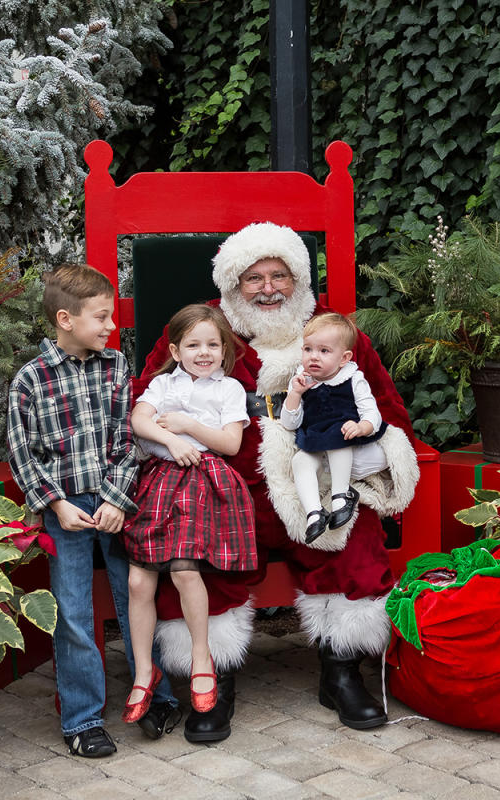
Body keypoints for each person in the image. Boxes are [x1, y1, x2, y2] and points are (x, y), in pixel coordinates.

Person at [135, 222, 419, 743]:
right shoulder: (203, 329)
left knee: (350, 537)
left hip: (315, 478)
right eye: (254, 278)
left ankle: (342, 673)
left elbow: (386, 408)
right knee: (196, 549)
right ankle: (212, 679)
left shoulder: (333, 333)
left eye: (280, 276)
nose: (268, 288)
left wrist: (371, 452)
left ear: (299, 279)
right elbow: (144, 399)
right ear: (233, 284)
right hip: (224, 483)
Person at [6, 263, 180, 759]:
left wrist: (116, 499)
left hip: (115, 502)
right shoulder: (30, 381)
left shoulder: (117, 368)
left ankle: (155, 698)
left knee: (138, 599)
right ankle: (82, 718)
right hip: (63, 509)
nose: (110, 326)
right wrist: (56, 505)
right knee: (75, 612)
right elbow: (22, 454)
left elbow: (129, 442)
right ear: (66, 318)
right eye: (102, 317)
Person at [121, 304, 256, 725]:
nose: (204, 352)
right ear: (176, 351)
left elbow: (231, 443)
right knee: (139, 577)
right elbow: (139, 420)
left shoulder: (229, 389)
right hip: (160, 481)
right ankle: (145, 669)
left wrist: (188, 427)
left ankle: (202, 658)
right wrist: (170, 439)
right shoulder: (162, 384)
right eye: (194, 345)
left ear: (224, 351)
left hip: (204, 481)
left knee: (182, 571)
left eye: (213, 345)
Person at [281, 313, 388, 543]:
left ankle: (342, 495)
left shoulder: (353, 378)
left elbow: (372, 413)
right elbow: (290, 423)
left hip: (347, 436)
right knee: (300, 461)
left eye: (324, 351)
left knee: (336, 436)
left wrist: (362, 426)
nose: (313, 357)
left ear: (344, 358)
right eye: (307, 349)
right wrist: (295, 394)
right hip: (315, 441)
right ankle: (314, 513)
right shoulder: (301, 381)